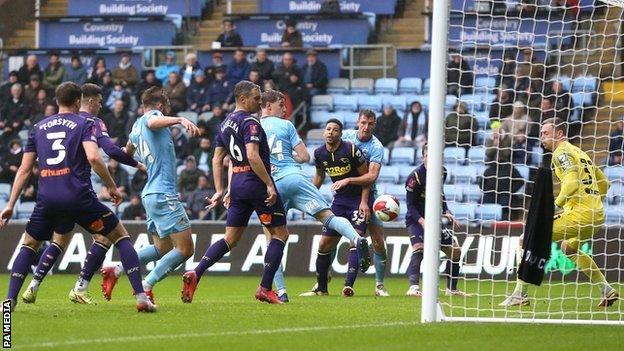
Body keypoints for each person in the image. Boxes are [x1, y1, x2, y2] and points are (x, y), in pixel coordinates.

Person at [0, 82, 155, 312]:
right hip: (78, 196)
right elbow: (94, 157)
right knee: (120, 237)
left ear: (56, 100)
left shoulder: (38, 127)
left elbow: (24, 170)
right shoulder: (84, 123)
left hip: (47, 198)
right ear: (77, 102)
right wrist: (112, 186)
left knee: (30, 243)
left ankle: (9, 302)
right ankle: (141, 297)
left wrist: (11, 204)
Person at [181, 81, 290, 304]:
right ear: (242, 99)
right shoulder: (251, 122)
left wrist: (221, 190)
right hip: (255, 183)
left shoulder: (224, 124)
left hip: (238, 184)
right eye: (256, 98)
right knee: (280, 234)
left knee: (230, 239)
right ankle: (265, 288)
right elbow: (252, 155)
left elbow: (217, 159)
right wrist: (269, 184)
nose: (260, 103)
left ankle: (196, 272)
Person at [260, 90, 370, 302]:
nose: (285, 109)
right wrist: (287, 156)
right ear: (269, 106)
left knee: (273, 240)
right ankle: (357, 239)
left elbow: (250, 158)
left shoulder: (254, 126)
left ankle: (281, 293)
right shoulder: (286, 125)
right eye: (281, 105)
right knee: (328, 217)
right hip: (295, 177)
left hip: (272, 186)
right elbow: (304, 156)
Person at [500, 118, 619, 307]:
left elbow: (571, 183)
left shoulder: (561, 152)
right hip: (596, 216)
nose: (542, 137)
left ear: (559, 134)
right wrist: (594, 203)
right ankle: (607, 289)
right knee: (568, 248)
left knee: (525, 239)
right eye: (540, 134)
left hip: (578, 215)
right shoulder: (580, 153)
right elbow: (604, 183)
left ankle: (519, 294)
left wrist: (555, 206)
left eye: (545, 133)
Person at [100, 86, 200, 304]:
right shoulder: (152, 118)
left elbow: (126, 153)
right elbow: (153, 122)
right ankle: (146, 285)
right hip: (163, 193)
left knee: (161, 248)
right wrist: (180, 120)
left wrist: (139, 165)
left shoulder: (135, 128)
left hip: (150, 194)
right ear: (160, 106)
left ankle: (116, 270)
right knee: (185, 249)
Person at [299, 118, 371, 298]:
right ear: (324, 132)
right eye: (328, 129)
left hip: (357, 201)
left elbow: (368, 178)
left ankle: (348, 286)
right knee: (324, 243)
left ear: (340, 133)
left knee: (356, 239)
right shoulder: (319, 153)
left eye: (335, 130)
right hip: (338, 202)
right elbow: (319, 177)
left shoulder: (351, 150)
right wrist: (307, 199)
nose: (331, 132)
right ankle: (322, 289)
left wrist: (364, 202)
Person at [339, 109, 391, 296]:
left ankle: (379, 285)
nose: (366, 127)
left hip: (369, 196)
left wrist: (349, 180)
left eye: (370, 124)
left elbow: (371, 176)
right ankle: (322, 282)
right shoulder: (345, 137)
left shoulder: (376, 147)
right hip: (344, 195)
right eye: (363, 123)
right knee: (330, 239)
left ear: (375, 124)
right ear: (357, 122)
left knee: (377, 240)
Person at [405, 144, 465, 296]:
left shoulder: (442, 172)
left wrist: (446, 210)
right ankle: (413, 287)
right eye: (427, 156)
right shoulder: (415, 177)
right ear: (422, 157)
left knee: (456, 251)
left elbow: (440, 192)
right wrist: (422, 221)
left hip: (434, 219)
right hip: (416, 219)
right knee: (419, 248)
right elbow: (410, 205)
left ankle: (451, 289)